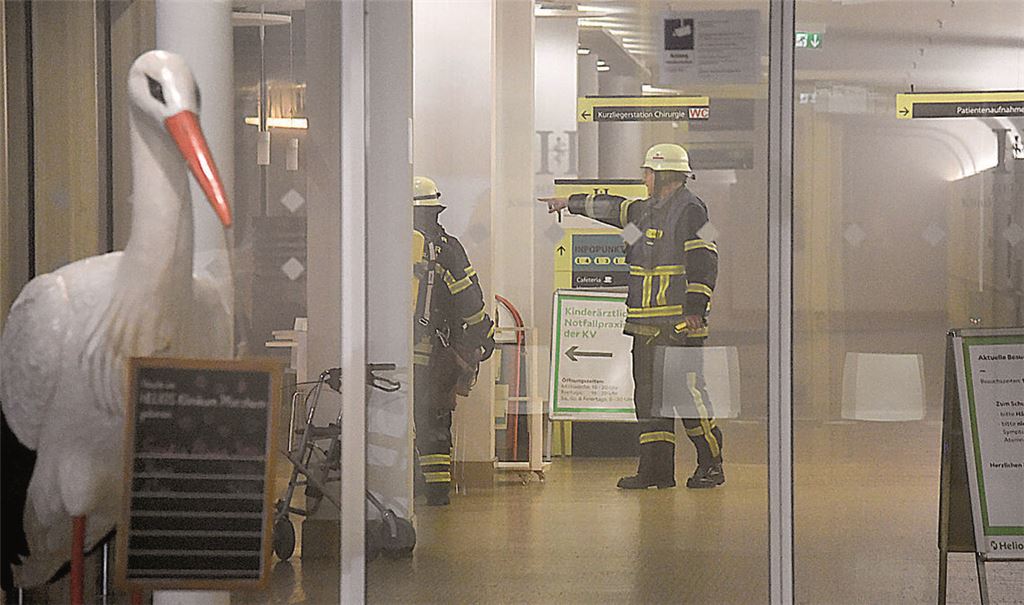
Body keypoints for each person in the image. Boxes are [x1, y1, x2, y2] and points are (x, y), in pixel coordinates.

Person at [539, 143, 724, 489]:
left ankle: (711, 462)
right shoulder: (645, 212)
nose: (644, 179)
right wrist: (569, 203)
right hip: (644, 322)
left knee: (686, 395)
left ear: (661, 175)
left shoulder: (693, 210)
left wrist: (696, 308)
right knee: (649, 399)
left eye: (647, 173)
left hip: (679, 324)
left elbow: (706, 256)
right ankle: (655, 470)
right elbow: (612, 209)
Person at [412, 176, 495, 505]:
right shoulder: (448, 248)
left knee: (393, 418)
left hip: (394, 350)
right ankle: (436, 492)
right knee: (434, 417)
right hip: (435, 350)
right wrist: (483, 337)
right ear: (436, 210)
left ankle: (405, 485)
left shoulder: (389, 242)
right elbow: (468, 300)